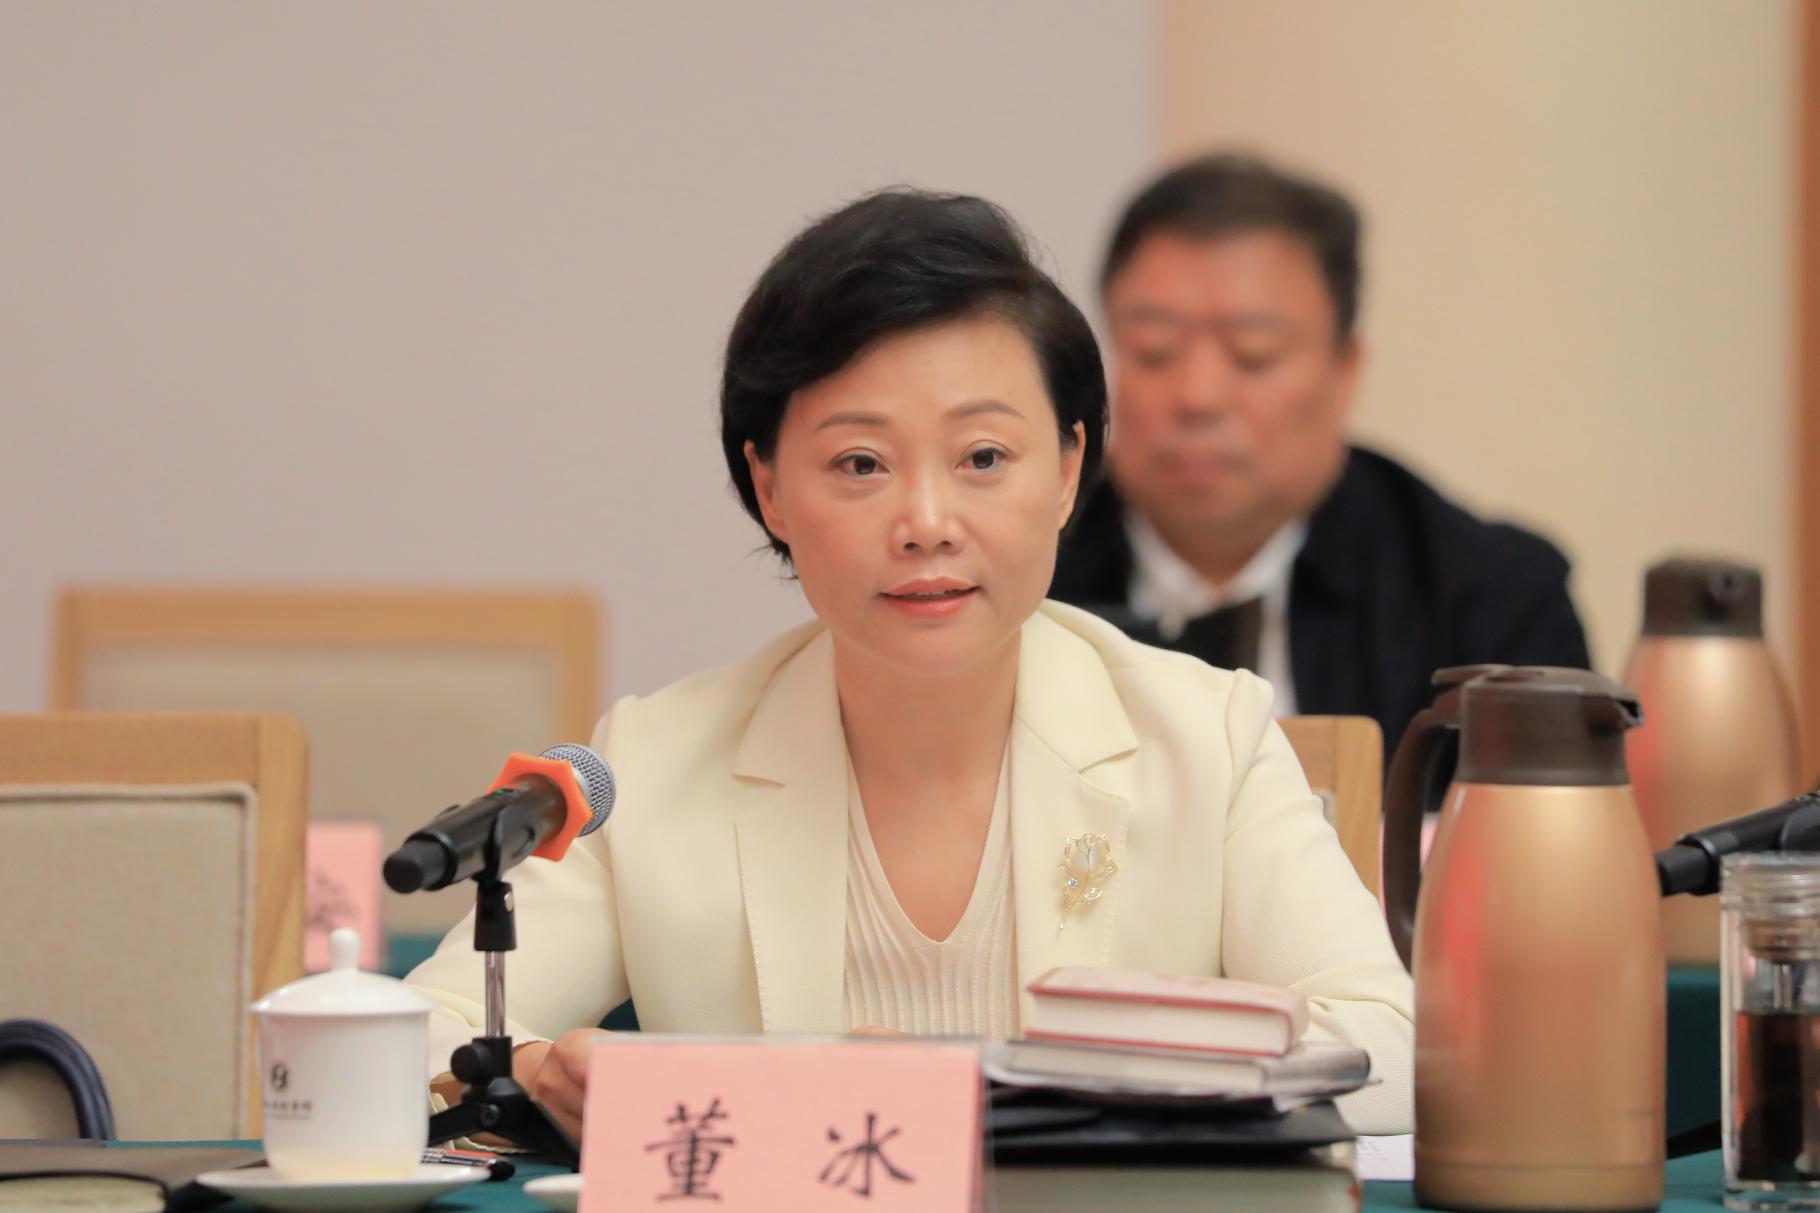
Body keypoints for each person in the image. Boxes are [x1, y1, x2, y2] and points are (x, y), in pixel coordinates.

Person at [405, 188, 1413, 1136]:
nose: (926, 522)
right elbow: (420, 1032)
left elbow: (1391, 1049)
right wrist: (533, 1073)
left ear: (1068, 471)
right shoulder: (660, 760)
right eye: (860, 464)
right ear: (770, 489)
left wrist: (997, 1091)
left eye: (983, 458)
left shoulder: (1208, 738)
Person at [1050, 153, 1591, 757]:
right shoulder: (1025, 567)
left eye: (1253, 354)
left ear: (1344, 371)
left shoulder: (1484, 598)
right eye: (1154, 350)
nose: (1198, 396)